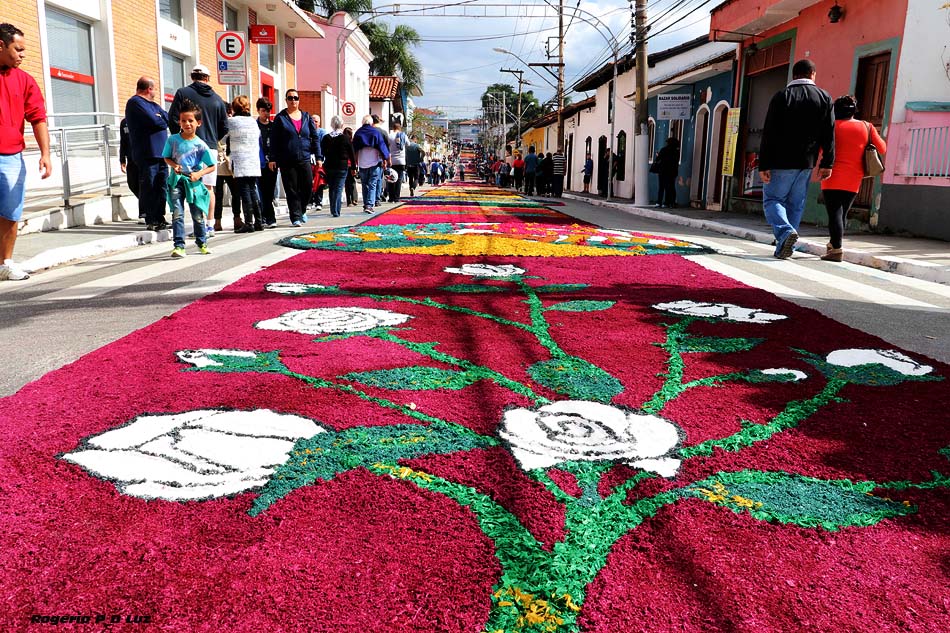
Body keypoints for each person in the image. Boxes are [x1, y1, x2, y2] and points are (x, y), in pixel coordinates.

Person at [759, 58, 835, 259]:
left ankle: (785, 232)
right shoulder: (824, 97)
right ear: (813, 74)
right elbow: (829, 133)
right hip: (807, 162)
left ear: (794, 75)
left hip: (780, 161)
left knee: (773, 200)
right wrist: (827, 162)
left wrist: (763, 163)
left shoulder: (781, 96)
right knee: (795, 204)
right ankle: (785, 248)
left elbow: (769, 132)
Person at [0, 23, 50, 281]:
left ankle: (5, 264)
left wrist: (46, 154)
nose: (22, 55)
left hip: (11, 157)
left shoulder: (25, 80)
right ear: (1, 45)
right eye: (18, 49)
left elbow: (38, 117)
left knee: (10, 212)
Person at [820, 95, 886, 262]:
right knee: (841, 213)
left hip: (832, 176)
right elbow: (882, 148)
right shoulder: (867, 126)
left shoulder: (831, 126)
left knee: (835, 213)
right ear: (854, 110)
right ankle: (833, 244)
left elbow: (820, 149)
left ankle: (836, 249)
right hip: (854, 177)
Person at [168, 64, 229, 228]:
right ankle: (209, 224)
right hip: (210, 147)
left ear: (192, 77)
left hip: (187, 147)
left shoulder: (183, 93)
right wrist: (213, 138)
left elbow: (172, 118)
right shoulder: (217, 99)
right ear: (207, 78)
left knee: (187, 186)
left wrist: (180, 138)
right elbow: (225, 127)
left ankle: (196, 224)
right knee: (208, 188)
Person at [162, 100, 215, 258]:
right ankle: (179, 246)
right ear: (179, 122)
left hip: (194, 184)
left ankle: (202, 242)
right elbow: (166, 157)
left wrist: (199, 174)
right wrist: (174, 165)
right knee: (177, 213)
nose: (187, 124)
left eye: (190, 120)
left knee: (197, 215)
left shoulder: (201, 145)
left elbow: (211, 166)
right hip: (176, 181)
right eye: (183, 120)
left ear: (198, 123)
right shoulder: (172, 140)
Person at [268, 89, 319, 227]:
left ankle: (302, 209)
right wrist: (272, 158)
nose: (293, 101)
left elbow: (315, 137)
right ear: (286, 100)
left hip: (305, 158)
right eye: (290, 98)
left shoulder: (306, 117)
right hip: (287, 159)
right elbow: (274, 140)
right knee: (292, 189)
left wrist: (318, 156)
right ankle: (295, 216)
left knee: (308, 187)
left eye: (295, 98)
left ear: (299, 100)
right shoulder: (280, 118)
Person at [124, 76, 169, 231]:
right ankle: (151, 218)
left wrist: (161, 119)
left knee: (162, 186)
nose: (155, 92)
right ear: (149, 89)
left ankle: (160, 217)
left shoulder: (154, 105)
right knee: (149, 185)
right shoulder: (135, 102)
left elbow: (167, 118)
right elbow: (154, 121)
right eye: (154, 89)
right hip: (147, 153)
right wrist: (160, 120)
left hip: (162, 154)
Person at [227, 96, 263, 232]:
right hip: (253, 159)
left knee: (244, 191)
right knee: (253, 189)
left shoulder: (232, 121)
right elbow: (258, 136)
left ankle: (249, 223)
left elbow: (223, 137)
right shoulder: (253, 122)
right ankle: (259, 221)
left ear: (234, 108)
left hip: (240, 159)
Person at [351, 114, 390, 214]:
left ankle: (366, 204)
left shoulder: (358, 133)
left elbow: (354, 150)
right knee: (372, 184)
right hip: (374, 162)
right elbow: (382, 147)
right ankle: (369, 205)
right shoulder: (375, 132)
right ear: (371, 122)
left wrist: (354, 164)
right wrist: (385, 159)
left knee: (365, 184)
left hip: (362, 162)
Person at [212, 104, 240, 233]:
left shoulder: (214, 124)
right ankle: (234, 219)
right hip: (226, 162)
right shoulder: (229, 125)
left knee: (221, 194)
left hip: (220, 162)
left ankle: (220, 221)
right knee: (232, 193)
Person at [321, 115, 356, 218]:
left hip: (329, 165)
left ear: (332, 125)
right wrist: (354, 167)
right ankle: (336, 210)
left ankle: (333, 209)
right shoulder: (345, 138)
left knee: (332, 187)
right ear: (342, 125)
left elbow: (322, 152)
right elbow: (352, 154)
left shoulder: (326, 138)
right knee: (339, 188)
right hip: (342, 166)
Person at [256, 98, 278, 228]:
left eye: (268, 111)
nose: (266, 114)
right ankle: (265, 217)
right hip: (258, 163)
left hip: (272, 163)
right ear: (258, 111)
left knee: (269, 191)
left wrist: (274, 159)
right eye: (263, 111)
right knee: (261, 191)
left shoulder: (273, 126)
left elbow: (277, 145)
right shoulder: (254, 126)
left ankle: (269, 217)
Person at [118, 117, 140, 202]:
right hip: (131, 159)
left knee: (144, 185)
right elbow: (123, 142)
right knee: (132, 184)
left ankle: (146, 207)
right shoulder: (124, 122)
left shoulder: (143, 118)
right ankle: (146, 204)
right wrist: (122, 160)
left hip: (143, 159)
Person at [654, 137, 680, 208]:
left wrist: (658, 155)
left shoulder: (664, 150)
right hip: (672, 172)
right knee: (670, 187)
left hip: (663, 171)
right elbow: (676, 162)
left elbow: (658, 159)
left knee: (661, 187)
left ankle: (659, 202)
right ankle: (668, 203)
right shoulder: (676, 152)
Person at [309, 114, 326, 211]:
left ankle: (318, 201)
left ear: (319, 123)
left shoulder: (322, 132)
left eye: (316, 121)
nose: (314, 123)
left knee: (319, 181)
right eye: (313, 121)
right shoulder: (306, 131)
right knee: (308, 181)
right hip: (308, 160)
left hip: (319, 160)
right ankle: (310, 201)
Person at [387, 121, 408, 202]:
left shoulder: (390, 136)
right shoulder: (403, 135)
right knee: (399, 179)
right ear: (400, 128)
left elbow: (387, 145)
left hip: (392, 160)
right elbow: (408, 144)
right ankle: (397, 197)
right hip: (401, 161)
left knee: (391, 178)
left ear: (393, 128)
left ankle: (391, 197)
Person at [343, 127, 359, 207]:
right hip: (352, 164)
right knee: (352, 182)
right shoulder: (352, 143)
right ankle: (354, 199)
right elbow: (354, 155)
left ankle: (349, 201)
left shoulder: (342, 142)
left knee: (347, 183)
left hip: (345, 164)